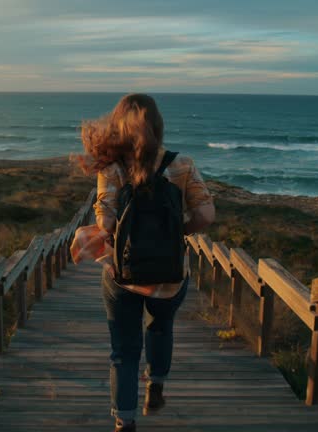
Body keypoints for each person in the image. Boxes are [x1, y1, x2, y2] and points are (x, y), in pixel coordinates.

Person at [75, 93, 215, 432]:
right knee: (161, 327)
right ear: (159, 126)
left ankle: (125, 421)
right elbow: (206, 215)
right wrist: (177, 232)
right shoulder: (182, 165)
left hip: (121, 275)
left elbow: (106, 225)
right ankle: (156, 386)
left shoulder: (112, 168)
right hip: (169, 275)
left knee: (123, 351)